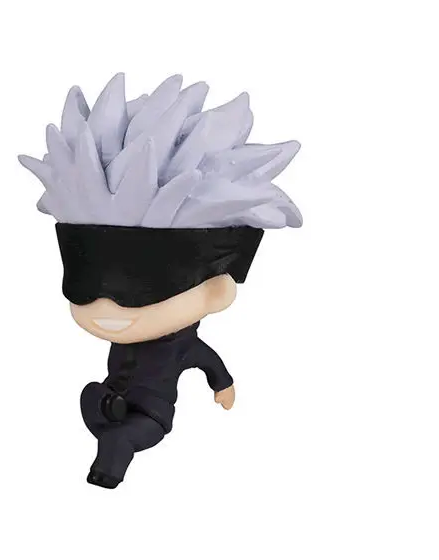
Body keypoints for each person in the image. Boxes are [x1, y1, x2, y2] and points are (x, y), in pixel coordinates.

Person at [19, 73, 302, 488]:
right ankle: (109, 431)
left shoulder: (181, 346)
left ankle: (107, 469)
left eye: (141, 293)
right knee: (92, 401)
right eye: (83, 284)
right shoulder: (132, 336)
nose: (106, 308)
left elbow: (209, 362)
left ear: (216, 289)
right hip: (109, 399)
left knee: (120, 438)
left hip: (151, 416)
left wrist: (223, 386)